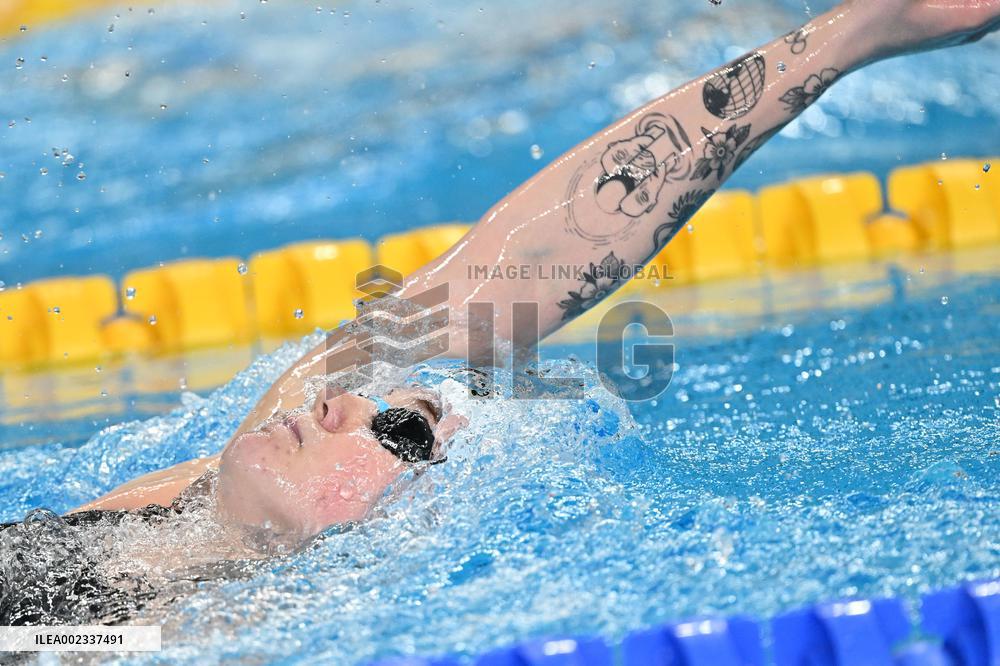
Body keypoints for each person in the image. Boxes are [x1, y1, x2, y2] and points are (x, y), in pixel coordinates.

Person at [3, 0, 998, 625]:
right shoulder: (181, 508)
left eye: (397, 433)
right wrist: (857, 32)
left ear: (398, 538)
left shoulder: (168, 634)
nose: (340, 403)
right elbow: (501, 272)